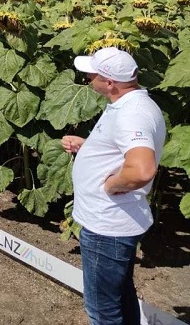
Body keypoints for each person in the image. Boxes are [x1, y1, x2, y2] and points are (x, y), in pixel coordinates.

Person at [63, 47, 166, 325]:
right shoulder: (133, 105)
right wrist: (89, 150)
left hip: (106, 226)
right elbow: (124, 150)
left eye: (92, 75)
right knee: (121, 295)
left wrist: (111, 186)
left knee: (102, 309)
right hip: (113, 223)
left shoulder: (131, 114)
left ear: (109, 82)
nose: (87, 78)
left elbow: (142, 169)